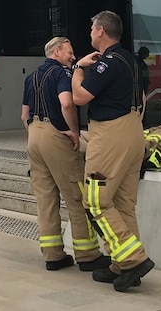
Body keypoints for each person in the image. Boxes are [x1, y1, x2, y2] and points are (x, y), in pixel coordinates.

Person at [71, 10, 153, 292]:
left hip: (111, 133)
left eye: (93, 28)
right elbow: (142, 98)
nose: (91, 32)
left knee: (95, 200)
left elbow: (80, 97)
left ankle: (132, 258)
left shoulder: (106, 63)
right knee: (122, 203)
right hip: (133, 131)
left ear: (102, 31)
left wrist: (77, 69)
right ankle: (122, 265)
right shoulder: (130, 60)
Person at [21, 37, 109, 272]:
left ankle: (53, 255)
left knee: (46, 199)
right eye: (69, 52)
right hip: (55, 136)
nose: (72, 56)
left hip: (34, 136)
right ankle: (88, 255)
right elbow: (67, 104)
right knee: (76, 195)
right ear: (57, 51)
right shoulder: (62, 74)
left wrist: (34, 134)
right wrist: (73, 131)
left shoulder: (32, 77)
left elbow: (24, 115)